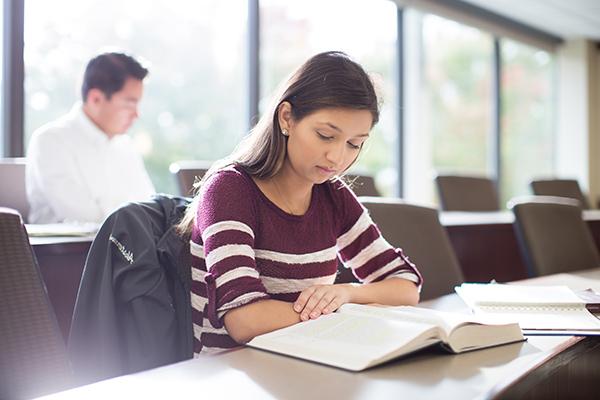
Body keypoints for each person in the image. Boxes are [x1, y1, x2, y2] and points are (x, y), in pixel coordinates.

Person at [178, 51, 422, 355]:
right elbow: (244, 320)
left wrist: (346, 293)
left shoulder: (333, 196)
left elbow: (406, 286)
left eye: (354, 144)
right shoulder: (230, 190)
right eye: (325, 135)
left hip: (310, 361)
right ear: (287, 118)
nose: (338, 158)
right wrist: (339, 313)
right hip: (234, 375)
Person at [26, 52, 155, 224]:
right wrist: (133, 215)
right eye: (129, 103)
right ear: (95, 98)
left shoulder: (125, 146)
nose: (136, 114)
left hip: (125, 248)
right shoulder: (50, 141)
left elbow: (151, 209)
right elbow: (83, 216)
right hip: (67, 250)